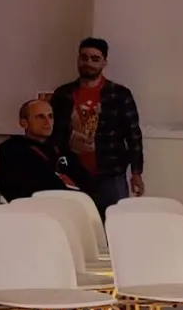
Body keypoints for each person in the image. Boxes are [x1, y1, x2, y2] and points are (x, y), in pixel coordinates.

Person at [52, 37, 144, 205]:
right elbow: (54, 133)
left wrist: (136, 172)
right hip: (72, 172)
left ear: (104, 62)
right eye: (84, 57)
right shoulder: (62, 94)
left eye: (95, 59)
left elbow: (133, 135)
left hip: (111, 172)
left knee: (114, 218)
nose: (88, 63)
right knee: (74, 218)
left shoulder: (119, 94)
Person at [0, 96, 77, 200]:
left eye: (50, 116)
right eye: (40, 117)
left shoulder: (59, 148)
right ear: (24, 123)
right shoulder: (13, 152)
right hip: (40, 204)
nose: (47, 122)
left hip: (75, 200)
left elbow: (83, 177)